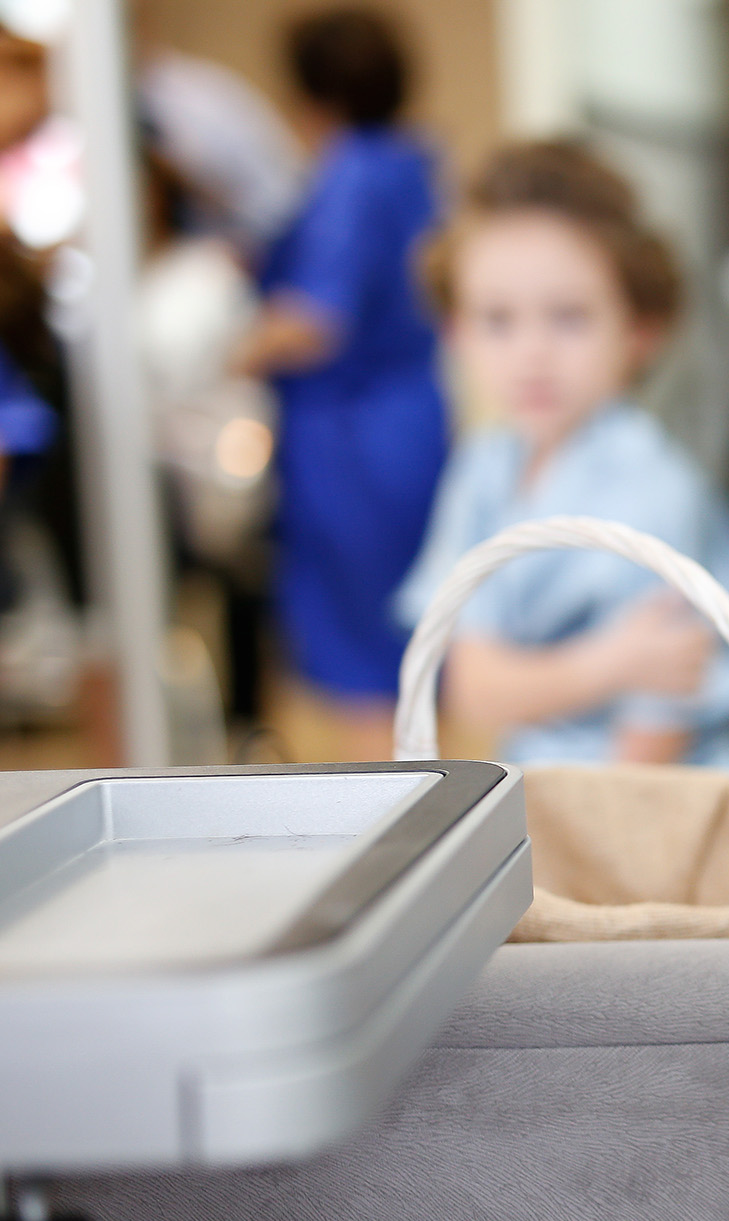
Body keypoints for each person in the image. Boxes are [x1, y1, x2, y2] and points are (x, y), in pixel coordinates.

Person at [396, 141, 729, 774]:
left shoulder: (655, 491)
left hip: (656, 795)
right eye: (497, 319)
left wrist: (533, 684)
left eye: (569, 318)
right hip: (537, 780)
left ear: (639, 329)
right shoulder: (482, 468)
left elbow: (654, 737)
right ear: (456, 332)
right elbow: (472, 688)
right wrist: (609, 664)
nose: (532, 352)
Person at [236, 8, 445, 759]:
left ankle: (398, 808)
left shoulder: (350, 173)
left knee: (364, 656)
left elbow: (315, 321)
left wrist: (229, 352)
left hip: (352, 443)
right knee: (405, 638)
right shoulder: (412, 162)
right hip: (411, 422)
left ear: (312, 93)